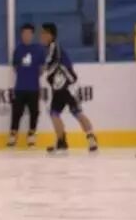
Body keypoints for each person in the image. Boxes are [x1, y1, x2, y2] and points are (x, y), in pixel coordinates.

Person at [40, 23, 98, 153]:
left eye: (43, 33)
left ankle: (89, 138)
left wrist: (44, 68)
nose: (41, 36)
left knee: (75, 112)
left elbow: (53, 62)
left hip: (66, 86)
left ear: (50, 35)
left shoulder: (54, 46)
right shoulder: (50, 48)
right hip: (59, 87)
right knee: (55, 113)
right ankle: (62, 141)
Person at [7, 23, 45, 148]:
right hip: (20, 87)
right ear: (21, 35)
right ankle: (13, 136)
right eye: (24, 33)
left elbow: (42, 68)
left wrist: (33, 75)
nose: (26, 35)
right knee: (17, 112)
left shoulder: (39, 50)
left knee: (34, 112)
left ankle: (31, 136)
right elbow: (15, 67)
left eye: (29, 33)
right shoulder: (18, 50)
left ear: (32, 35)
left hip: (34, 87)